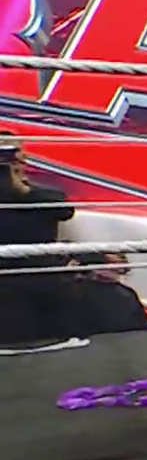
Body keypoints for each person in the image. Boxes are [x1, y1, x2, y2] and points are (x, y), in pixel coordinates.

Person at [0, 143, 76, 345]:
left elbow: (66, 211)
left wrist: (24, 191)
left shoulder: (45, 195)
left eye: (13, 159)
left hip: (41, 277)